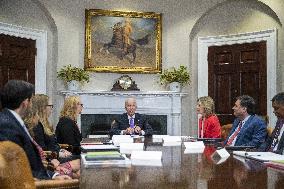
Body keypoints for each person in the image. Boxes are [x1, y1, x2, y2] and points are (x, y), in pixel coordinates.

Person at [0, 80, 70, 180]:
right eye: (31, 101)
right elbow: (16, 169)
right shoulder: (8, 126)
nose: (33, 106)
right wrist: (52, 178)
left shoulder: (10, 120)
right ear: (25, 103)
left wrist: (54, 175)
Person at [24, 94, 80, 178]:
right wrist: (58, 155)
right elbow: (42, 149)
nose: (51, 109)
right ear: (42, 107)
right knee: (82, 161)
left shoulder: (45, 123)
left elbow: (52, 144)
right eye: (50, 106)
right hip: (52, 159)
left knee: (82, 162)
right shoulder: (37, 126)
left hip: (55, 156)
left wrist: (61, 150)